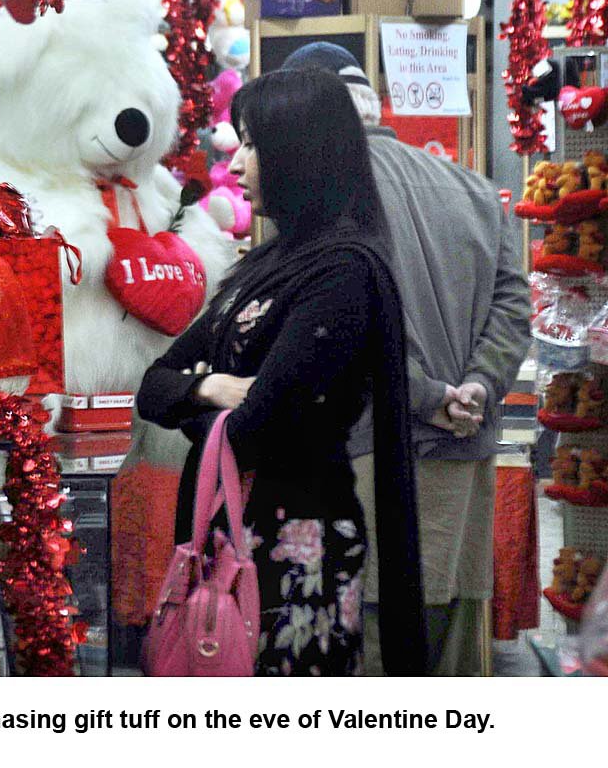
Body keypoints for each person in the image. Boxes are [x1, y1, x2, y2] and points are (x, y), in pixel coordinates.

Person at [137, 68, 426, 676]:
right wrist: (211, 388)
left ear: (301, 152)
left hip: (295, 546)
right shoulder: (270, 261)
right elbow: (153, 387)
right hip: (229, 531)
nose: (237, 164)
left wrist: (201, 406)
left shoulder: (343, 270)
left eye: (252, 143)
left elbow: (260, 422)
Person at [282, 43, 532, 676]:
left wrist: (424, 397)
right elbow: (512, 305)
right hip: (466, 454)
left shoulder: (323, 198)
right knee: (454, 644)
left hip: (368, 454)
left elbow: (338, 331)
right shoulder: (475, 191)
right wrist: (473, 388)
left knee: (367, 648)